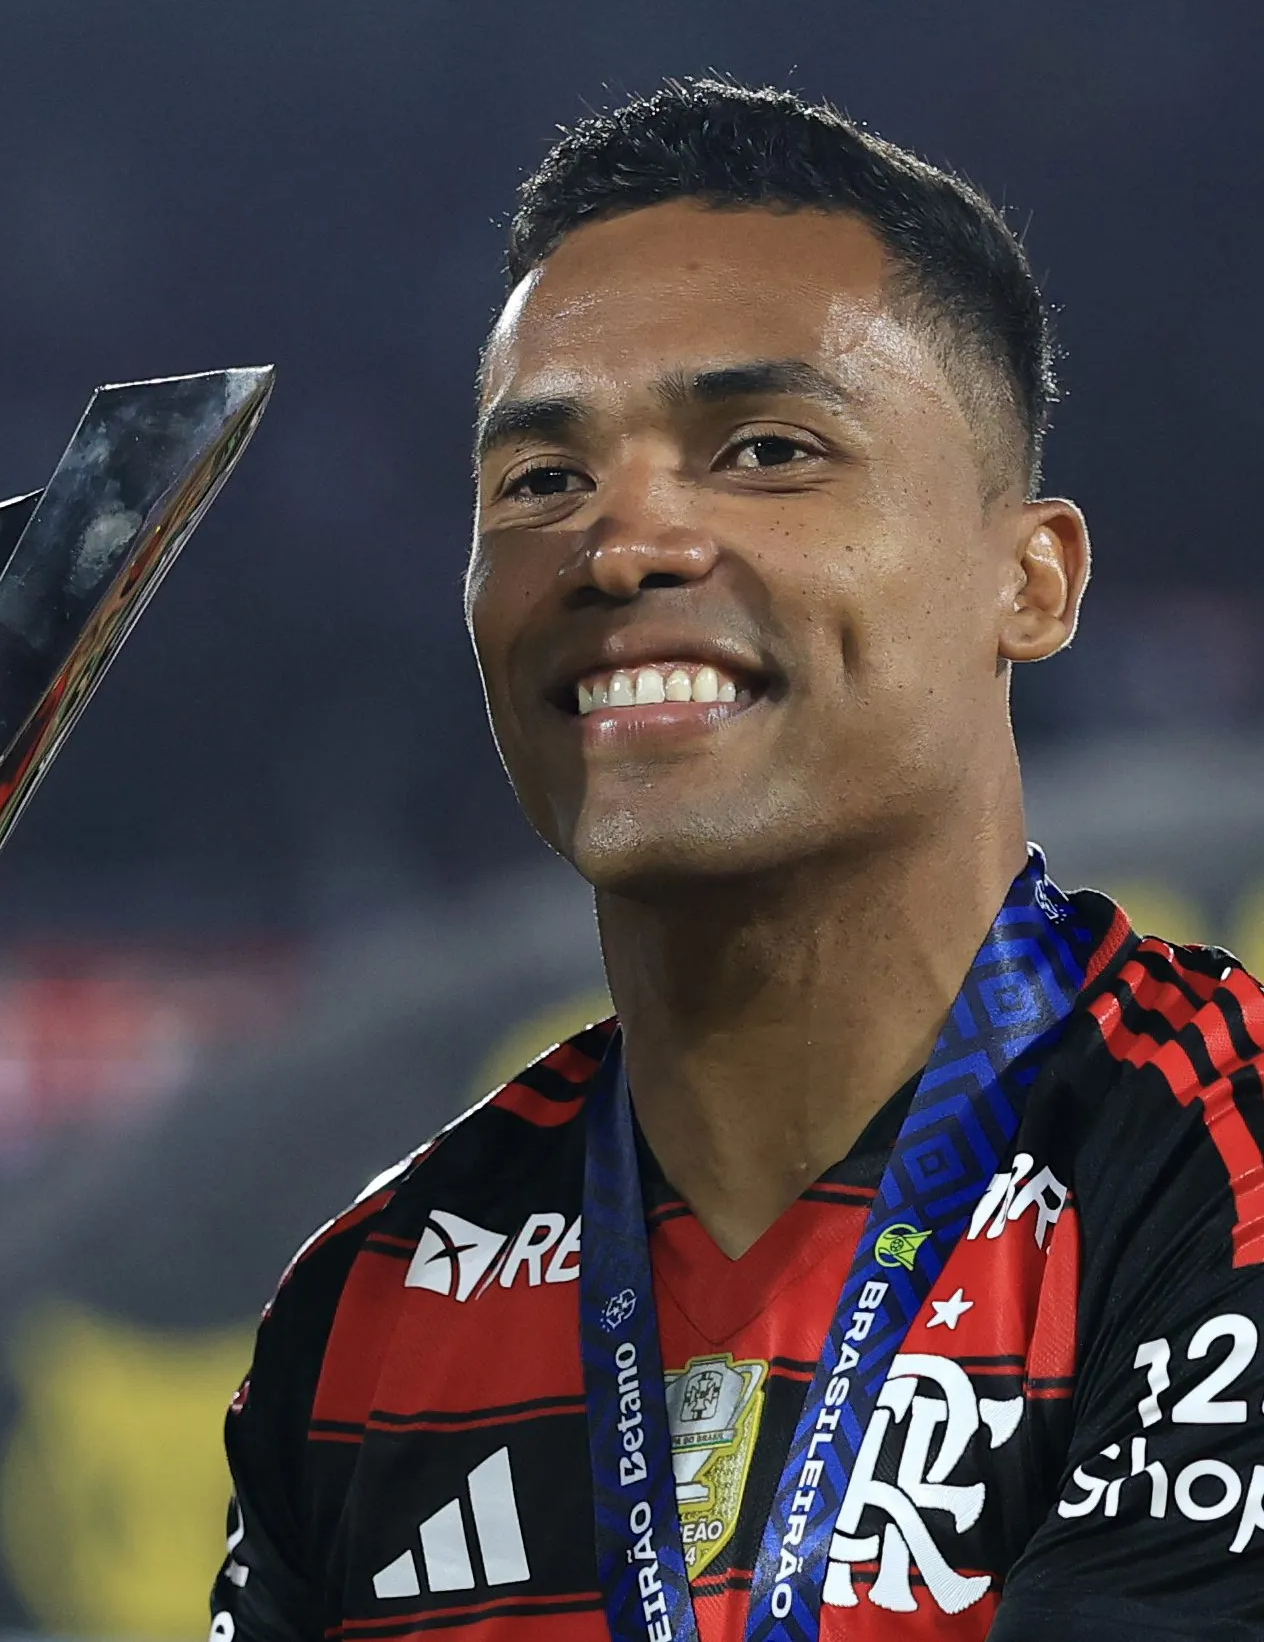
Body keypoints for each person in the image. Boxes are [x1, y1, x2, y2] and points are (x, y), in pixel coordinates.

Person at [210, 80, 1264, 1638]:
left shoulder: (1215, 1163)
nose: (621, 545)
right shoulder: (368, 1304)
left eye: (766, 450)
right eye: (540, 483)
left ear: (1030, 581)